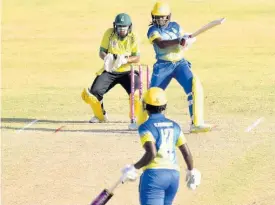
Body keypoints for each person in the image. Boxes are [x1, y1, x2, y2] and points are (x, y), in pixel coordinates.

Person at [121, 87, 201, 205]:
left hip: (154, 177)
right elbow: (186, 153)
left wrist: (135, 167)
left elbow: (151, 153)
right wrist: (191, 170)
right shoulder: (175, 126)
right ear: (165, 106)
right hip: (173, 177)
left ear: (145, 106)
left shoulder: (145, 127)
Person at [142, 1, 213, 133]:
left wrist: (186, 42)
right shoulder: (152, 30)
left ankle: (196, 123)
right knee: (153, 94)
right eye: (157, 17)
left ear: (168, 16)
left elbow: (182, 40)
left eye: (162, 17)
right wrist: (178, 41)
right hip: (163, 65)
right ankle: (144, 123)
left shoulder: (176, 26)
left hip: (180, 64)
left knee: (193, 86)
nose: (159, 20)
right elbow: (161, 44)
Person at [81, 13, 141, 129]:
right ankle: (101, 116)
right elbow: (101, 52)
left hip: (128, 70)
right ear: (115, 26)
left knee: (137, 94)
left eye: (124, 27)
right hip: (110, 70)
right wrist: (107, 58)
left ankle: (135, 117)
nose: (122, 30)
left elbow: (137, 57)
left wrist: (125, 60)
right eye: (119, 27)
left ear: (129, 27)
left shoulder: (134, 36)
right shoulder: (109, 33)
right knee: (94, 93)